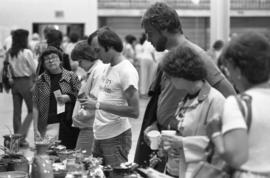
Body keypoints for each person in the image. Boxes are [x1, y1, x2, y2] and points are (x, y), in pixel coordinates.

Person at [134, 2, 236, 168]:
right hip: (167, 141)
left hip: (186, 144)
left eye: (150, 33)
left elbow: (229, 94)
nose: (147, 38)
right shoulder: (168, 58)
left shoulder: (196, 55)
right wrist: (155, 124)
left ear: (164, 28)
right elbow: (161, 98)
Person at [157, 45, 225, 177]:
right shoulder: (186, 99)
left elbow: (223, 144)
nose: (168, 80)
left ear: (182, 73)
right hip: (178, 169)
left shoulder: (215, 100)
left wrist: (183, 143)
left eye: (170, 75)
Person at [208, 32, 270, 177]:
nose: (228, 76)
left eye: (228, 69)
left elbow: (236, 158)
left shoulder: (237, 103)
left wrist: (215, 134)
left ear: (238, 70)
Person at [81, 27, 140, 167]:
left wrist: (97, 105)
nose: (96, 55)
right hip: (100, 134)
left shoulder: (126, 71)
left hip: (116, 138)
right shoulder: (108, 67)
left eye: (97, 50)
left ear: (110, 46)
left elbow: (134, 111)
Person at [33, 46, 80, 149]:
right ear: (43, 63)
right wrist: (35, 127)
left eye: (53, 57)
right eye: (46, 59)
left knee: (68, 154)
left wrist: (69, 97)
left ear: (60, 59)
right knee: (50, 154)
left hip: (68, 123)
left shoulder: (71, 76)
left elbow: (81, 97)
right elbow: (35, 105)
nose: (50, 60)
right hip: (48, 123)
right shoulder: (40, 80)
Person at [71, 39, 106, 155]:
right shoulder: (91, 71)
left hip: (91, 125)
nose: (79, 65)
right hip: (87, 125)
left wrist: (79, 116)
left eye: (80, 61)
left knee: (81, 161)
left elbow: (93, 103)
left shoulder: (99, 71)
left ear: (88, 56)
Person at [6, 29, 36, 147]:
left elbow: (8, 69)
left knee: (16, 113)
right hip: (26, 82)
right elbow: (34, 69)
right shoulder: (27, 52)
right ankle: (22, 137)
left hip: (15, 83)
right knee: (32, 110)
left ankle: (16, 138)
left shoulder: (10, 52)